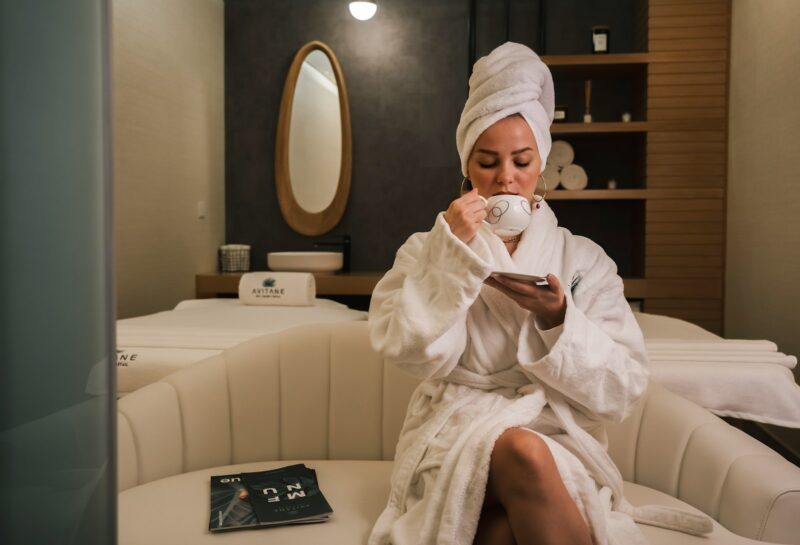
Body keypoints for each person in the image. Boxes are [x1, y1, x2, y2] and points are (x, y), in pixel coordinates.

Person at [366, 43, 712, 545]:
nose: (505, 177)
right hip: (456, 430)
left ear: (541, 167)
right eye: (487, 162)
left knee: (505, 522)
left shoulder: (584, 259)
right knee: (519, 456)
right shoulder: (428, 249)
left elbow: (624, 389)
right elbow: (411, 354)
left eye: (521, 161)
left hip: (554, 433)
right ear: (466, 170)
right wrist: (452, 257)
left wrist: (558, 320)